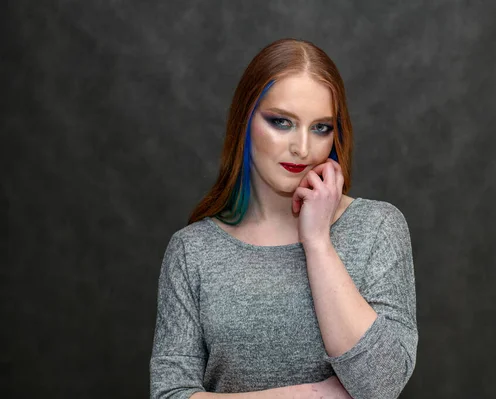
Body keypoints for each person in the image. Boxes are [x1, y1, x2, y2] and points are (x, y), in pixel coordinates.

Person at [150, 38, 418, 399]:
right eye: (281, 122)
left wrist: (318, 242)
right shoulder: (192, 251)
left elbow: (381, 386)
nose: (303, 149)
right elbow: (170, 393)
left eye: (321, 127)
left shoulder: (377, 228)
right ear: (245, 121)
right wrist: (312, 395)